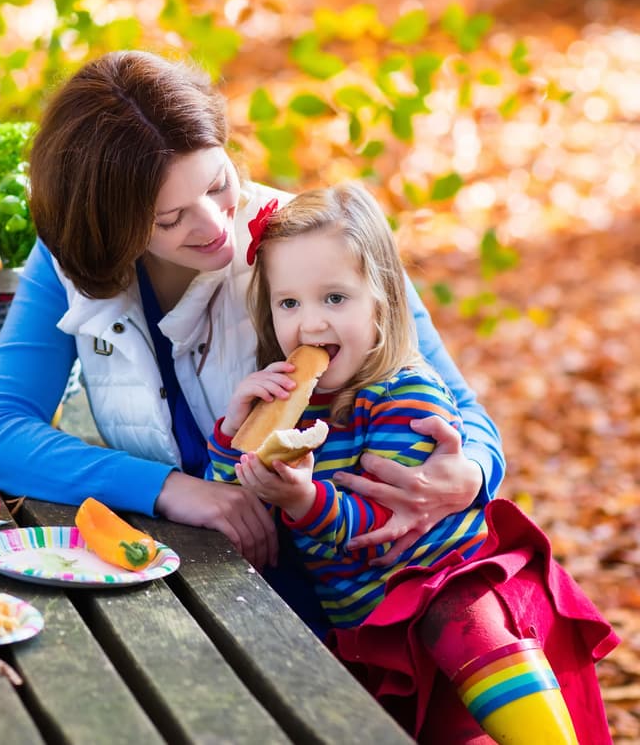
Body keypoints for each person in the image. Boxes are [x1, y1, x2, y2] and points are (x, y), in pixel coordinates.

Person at [0, 50, 505, 632]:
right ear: (109, 228)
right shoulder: (71, 262)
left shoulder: (312, 244)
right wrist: (171, 490)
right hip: (191, 582)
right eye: (170, 219)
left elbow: (463, 410)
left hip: (359, 582)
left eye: (218, 184)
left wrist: (471, 470)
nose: (215, 225)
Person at [207, 182, 617, 743]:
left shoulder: (406, 395)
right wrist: (234, 432)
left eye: (335, 298)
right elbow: (232, 497)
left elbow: (383, 525)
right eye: (289, 303)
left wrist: (302, 500)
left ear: (382, 301)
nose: (311, 324)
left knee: (469, 631)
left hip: (440, 585)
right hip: (371, 624)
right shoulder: (292, 405)